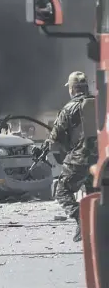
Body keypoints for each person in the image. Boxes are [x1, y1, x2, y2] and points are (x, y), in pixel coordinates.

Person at [36, 71, 98, 242]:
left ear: (72, 89)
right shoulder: (100, 104)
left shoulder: (69, 108)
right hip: (100, 161)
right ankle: (96, 226)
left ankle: (82, 220)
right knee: (94, 194)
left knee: (62, 192)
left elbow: (55, 138)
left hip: (80, 159)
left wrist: (44, 149)